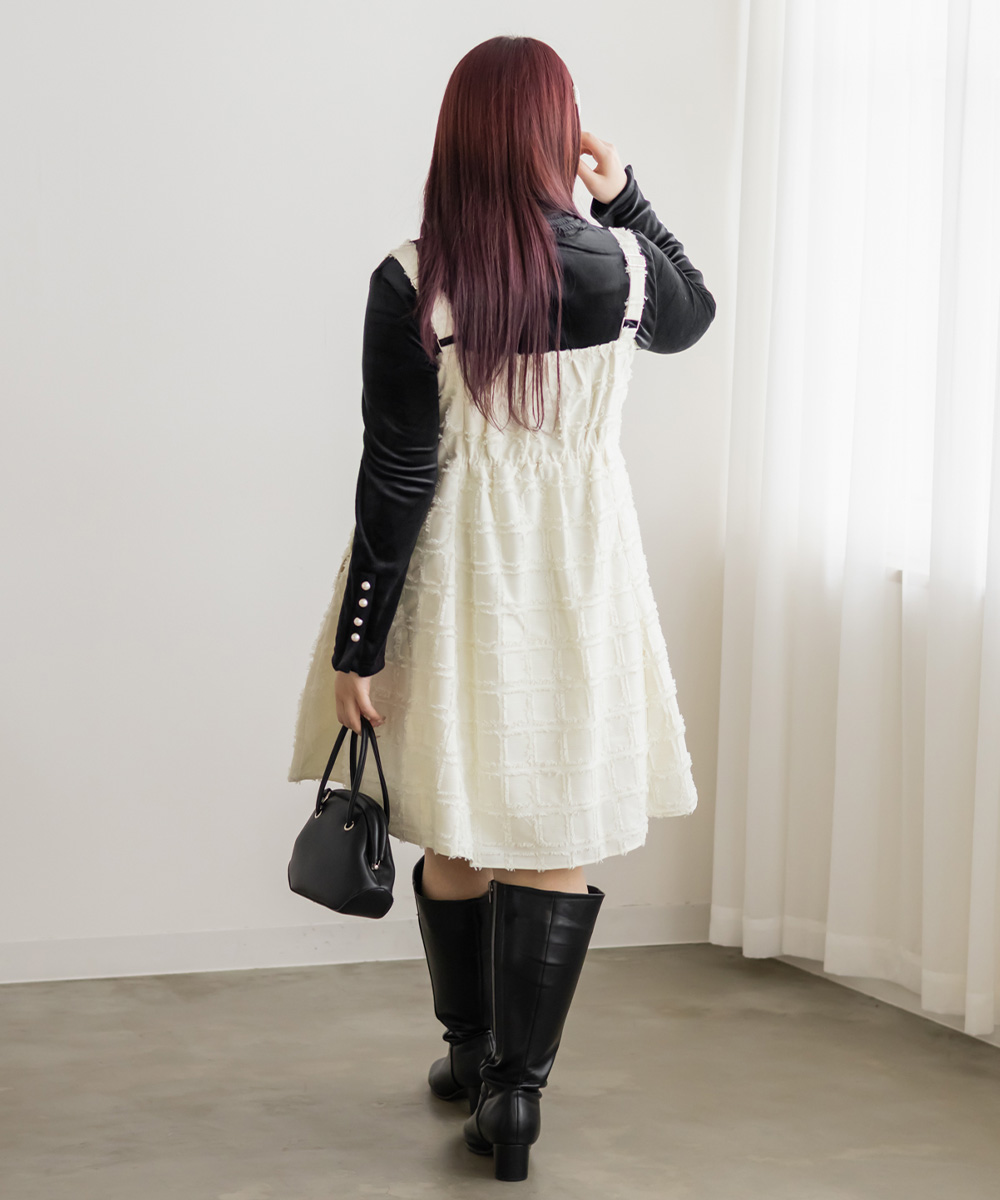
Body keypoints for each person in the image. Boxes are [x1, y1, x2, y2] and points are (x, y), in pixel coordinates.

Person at [286, 35, 716, 1183]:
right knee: (553, 830)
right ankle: (516, 1096)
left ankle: (471, 1048)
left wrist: (358, 642)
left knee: (461, 820)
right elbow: (694, 313)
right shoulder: (624, 267)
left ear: (457, 137)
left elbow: (396, 475)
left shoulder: (412, 278)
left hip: (456, 575)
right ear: (554, 137)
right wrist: (626, 196)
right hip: (583, 576)